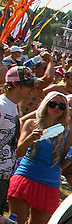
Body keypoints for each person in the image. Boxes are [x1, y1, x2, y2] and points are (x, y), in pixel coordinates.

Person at [6, 93, 72, 224]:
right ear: (45, 105)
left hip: (49, 182)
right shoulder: (31, 124)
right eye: (53, 104)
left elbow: (63, 162)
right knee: (15, 223)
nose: (57, 108)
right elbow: (18, 152)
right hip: (27, 175)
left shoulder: (68, 131)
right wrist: (31, 138)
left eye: (62, 106)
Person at [0, 66, 38, 213]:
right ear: (15, 83)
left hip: (5, 176)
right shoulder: (2, 106)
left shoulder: (14, 108)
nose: (32, 89)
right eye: (29, 84)